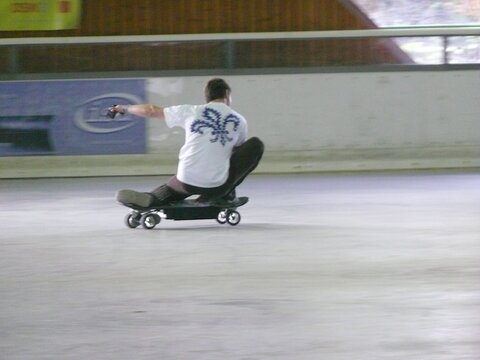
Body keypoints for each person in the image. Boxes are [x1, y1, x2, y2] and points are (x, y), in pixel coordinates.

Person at [109, 78, 264, 208]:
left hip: (187, 180)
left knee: (175, 186)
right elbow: (236, 153)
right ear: (227, 94)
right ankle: (225, 196)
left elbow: (150, 110)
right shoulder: (239, 120)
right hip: (217, 185)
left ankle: (154, 197)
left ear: (206, 97)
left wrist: (124, 108)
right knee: (256, 145)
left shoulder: (191, 111)